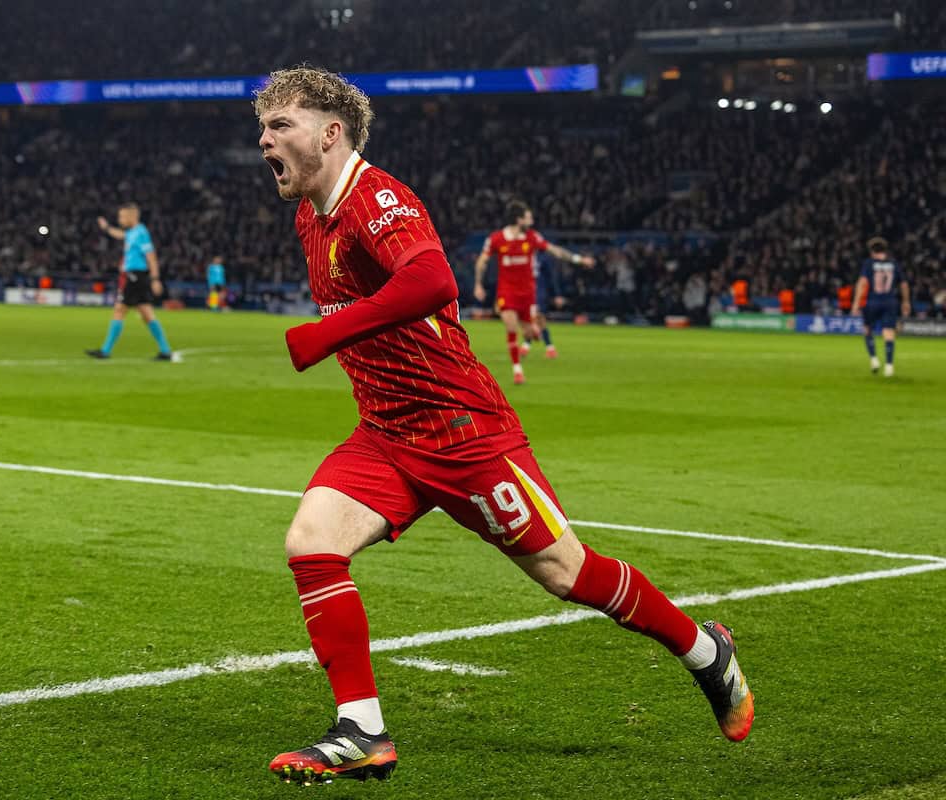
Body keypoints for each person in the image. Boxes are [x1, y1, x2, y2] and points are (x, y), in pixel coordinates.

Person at [255, 66, 753, 787]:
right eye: (262, 127)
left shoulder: (377, 198)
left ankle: (707, 652)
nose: (264, 140)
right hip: (388, 432)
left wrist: (325, 337)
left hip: (463, 431)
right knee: (311, 543)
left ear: (330, 133)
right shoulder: (312, 214)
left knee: (568, 574)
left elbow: (432, 282)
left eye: (280, 126)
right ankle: (362, 729)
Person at [474, 201, 593, 383]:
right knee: (511, 328)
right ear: (518, 219)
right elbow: (482, 261)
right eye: (528, 217)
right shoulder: (497, 239)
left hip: (528, 294)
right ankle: (517, 370)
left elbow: (555, 251)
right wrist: (478, 284)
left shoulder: (532, 237)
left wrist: (578, 259)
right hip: (507, 292)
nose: (532, 220)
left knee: (530, 333)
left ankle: (534, 332)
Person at [86, 203, 175, 361]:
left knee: (120, 310)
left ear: (132, 216)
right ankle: (165, 350)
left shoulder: (141, 233)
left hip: (135, 277)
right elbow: (120, 235)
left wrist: (155, 279)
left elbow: (151, 256)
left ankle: (105, 351)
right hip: (134, 276)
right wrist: (106, 228)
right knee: (146, 314)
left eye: (122, 216)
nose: (120, 219)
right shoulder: (132, 233)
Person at [850, 237, 910, 378]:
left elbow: (863, 283)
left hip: (872, 301)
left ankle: (874, 359)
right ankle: (889, 366)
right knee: (889, 332)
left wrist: (856, 303)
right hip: (890, 301)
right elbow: (904, 284)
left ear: (872, 251)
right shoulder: (894, 264)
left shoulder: (869, 263)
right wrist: (906, 301)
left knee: (867, 329)